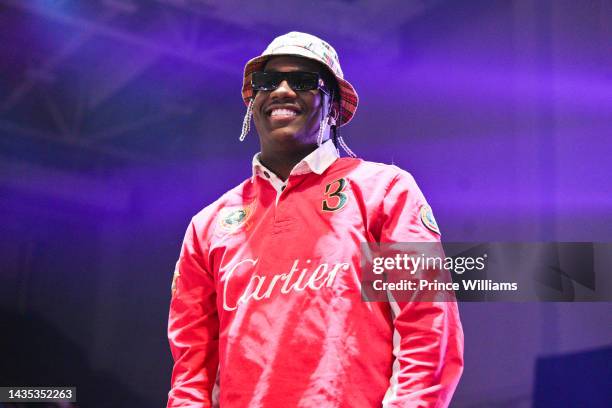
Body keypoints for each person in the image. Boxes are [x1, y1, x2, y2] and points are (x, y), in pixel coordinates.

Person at [167, 31, 464, 407]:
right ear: (252, 102)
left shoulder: (385, 191)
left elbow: (427, 329)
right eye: (268, 82)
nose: (283, 91)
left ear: (334, 107)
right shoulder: (208, 226)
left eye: (305, 82)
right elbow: (192, 371)